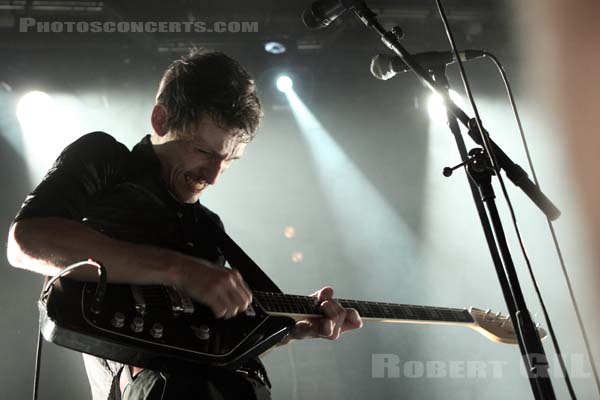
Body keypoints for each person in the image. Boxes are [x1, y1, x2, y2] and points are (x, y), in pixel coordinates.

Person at [6, 50, 363, 400]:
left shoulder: (208, 227)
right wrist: (180, 270)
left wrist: (290, 330)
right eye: (204, 152)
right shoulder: (105, 159)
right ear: (161, 120)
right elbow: (27, 239)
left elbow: (206, 345)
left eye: (229, 160)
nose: (213, 176)